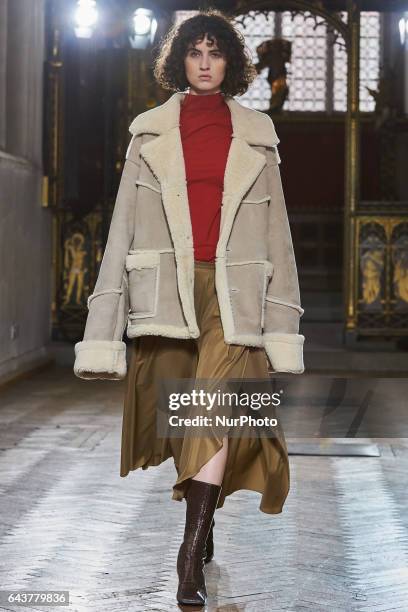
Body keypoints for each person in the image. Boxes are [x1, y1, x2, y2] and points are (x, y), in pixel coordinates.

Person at [73, 8, 305, 607]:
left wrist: (281, 322)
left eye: (216, 52)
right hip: (167, 292)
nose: (205, 63)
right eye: (195, 53)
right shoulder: (149, 133)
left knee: (215, 409)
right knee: (192, 420)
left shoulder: (257, 134)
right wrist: (104, 327)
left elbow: (277, 232)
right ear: (180, 61)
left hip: (236, 294)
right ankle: (206, 522)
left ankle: (188, 553)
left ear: (231, 63)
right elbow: (122, 229)